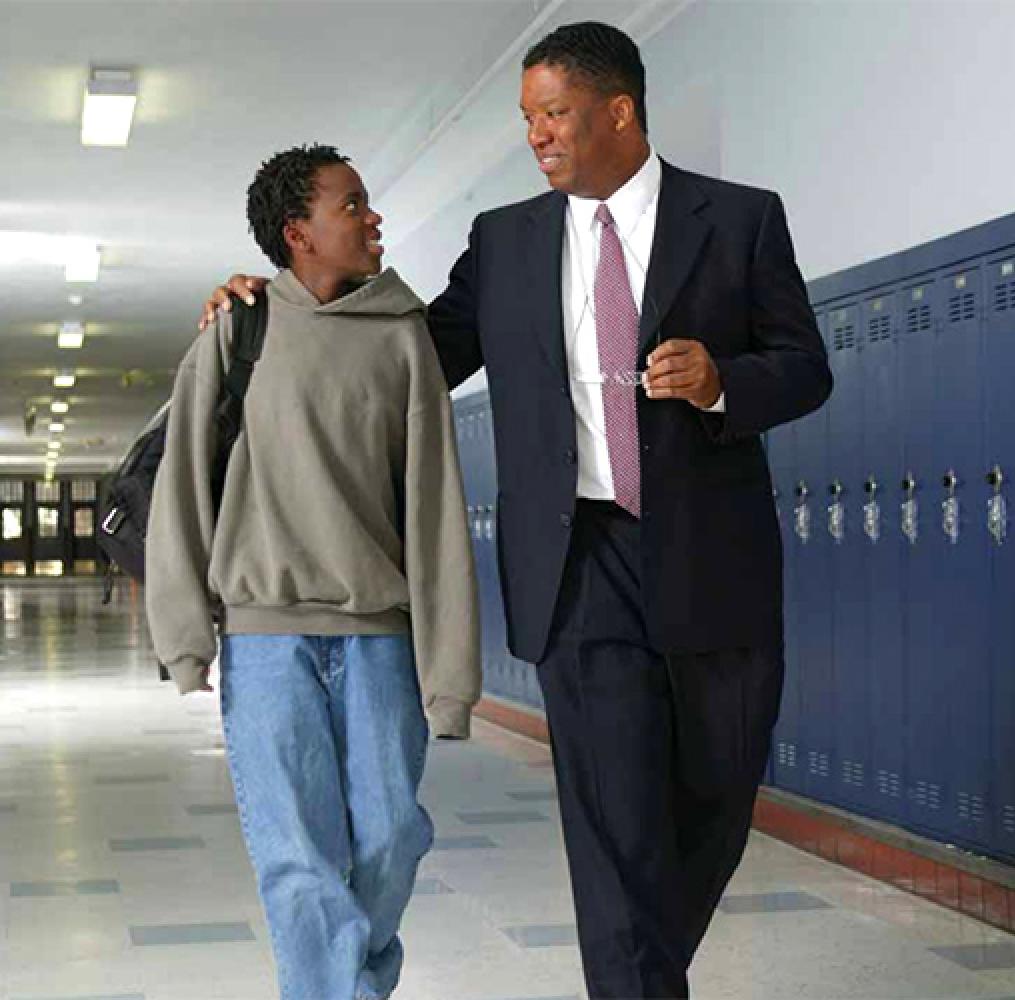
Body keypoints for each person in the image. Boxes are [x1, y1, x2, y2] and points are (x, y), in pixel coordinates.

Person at [199, 23, 833, 999]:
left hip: (715, 567)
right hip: (577, 569)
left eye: (552, 114)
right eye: (527, 118)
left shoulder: (740, 220)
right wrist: (275, 304)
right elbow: (404, 352)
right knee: (613, 829)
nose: (535, 134)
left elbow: (804, 367)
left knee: (712, 806)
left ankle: (643, 964)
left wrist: (720, 382)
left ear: (618, 110)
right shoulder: (505, 242)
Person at [150, 143, 480, 1000]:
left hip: (378, 639)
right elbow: (184, 489)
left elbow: (435, 510)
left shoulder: (404, 341)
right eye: (353, 205)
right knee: (298, 858)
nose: (373, 218)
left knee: (390, 837)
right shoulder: (238, 331)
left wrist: (450, 677)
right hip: (265, 641)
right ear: (298, 233)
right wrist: (185, 638)